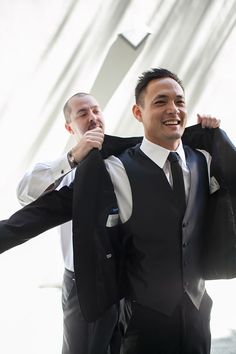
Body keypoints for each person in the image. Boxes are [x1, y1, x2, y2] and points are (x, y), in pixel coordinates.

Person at [0, 68, 236, 353]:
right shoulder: (113, 169)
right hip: (141, 326)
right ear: (138, 112)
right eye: (161, 101)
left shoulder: (204, 159)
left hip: (198, 319)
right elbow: (37, 213)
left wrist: (213, 135)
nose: (173, 109)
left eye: (179, 101)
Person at [16, 92, 120, 354]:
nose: (93, 117)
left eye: (96, 110)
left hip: (125, 278)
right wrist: (74, 157)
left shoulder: (124, 159)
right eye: (83, 113)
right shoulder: (63, 170)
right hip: (82, 283)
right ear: (69, 126)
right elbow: (24, 192)